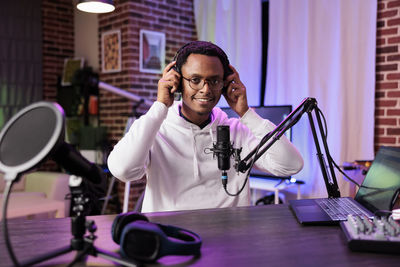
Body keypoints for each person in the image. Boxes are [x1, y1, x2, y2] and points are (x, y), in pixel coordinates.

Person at [107, 41, 303, 213]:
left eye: (214, 80)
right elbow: (123, 170)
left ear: (225, 84)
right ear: (177, 81)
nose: (206, 89)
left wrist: (247, 114)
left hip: (229, 241)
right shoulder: (156, 129)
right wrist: (159, 107)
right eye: (195, 80)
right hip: (172, 241)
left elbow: (291, 165)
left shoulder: (237, 130)